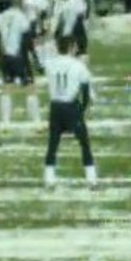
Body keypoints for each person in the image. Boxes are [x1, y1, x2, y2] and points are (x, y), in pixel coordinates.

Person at [43, 35, 97, 189]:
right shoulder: (78, 66)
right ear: (71, 47)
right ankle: (91, 179)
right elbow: (85, 92)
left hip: (55, 107)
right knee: (84, 144)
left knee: (53, 144)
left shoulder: (50, 64)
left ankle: (49, 179)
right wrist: (82, 110)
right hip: (71, 107)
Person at [0, 0, 41, 126]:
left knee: (7, 87)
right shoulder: (22, 17)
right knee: (30, 87)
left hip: (5, 57)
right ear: (19, 4)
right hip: (19, 57)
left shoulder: (0, 17)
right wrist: (36, 60)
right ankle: (36, 121)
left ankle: (5, 121)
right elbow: (28, 41)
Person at [58, 0, 89, 64]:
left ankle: (76, 53)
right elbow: (82, 12)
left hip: (72, 20)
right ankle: (80, 54)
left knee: (75, 39)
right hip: (77, 20)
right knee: (81, 39)